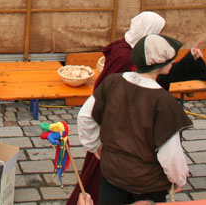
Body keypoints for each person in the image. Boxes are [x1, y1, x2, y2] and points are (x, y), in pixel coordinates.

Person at [77, 33, 191, 205]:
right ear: (159, 63)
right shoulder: (164, 102)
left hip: (111, 173)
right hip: (147, 184)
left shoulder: (112, 82)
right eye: (170, 58)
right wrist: (179, 178)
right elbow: (170, 151)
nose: (173, 62)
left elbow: (85, 117)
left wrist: (94, 146)